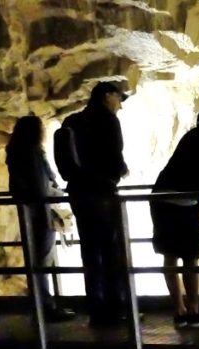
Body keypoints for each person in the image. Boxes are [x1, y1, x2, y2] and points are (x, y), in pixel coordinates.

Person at [150, 107, 199, 329]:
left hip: (160, 198)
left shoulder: (191, 136)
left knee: (169, 255)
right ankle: (194, 310)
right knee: (190, 256)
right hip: (184, 202)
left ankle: (179, 310)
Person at [63, 81, 130, 326]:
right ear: (107, 96)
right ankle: (117, 309)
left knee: (90, 251)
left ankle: (97, 309)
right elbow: (115, 156)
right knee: (111, 251)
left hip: (79, 193)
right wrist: (122, 172)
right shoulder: (107, 120)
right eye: (119, 99)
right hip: (101, 191)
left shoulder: (72, 121)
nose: (120, 106)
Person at [6, 115, 75, 322]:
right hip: (41, 213)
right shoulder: (32, 153)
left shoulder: (16, 152)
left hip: (31, 213)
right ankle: (46, 308)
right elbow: (41, 185)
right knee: (41, 262)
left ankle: (41, 306)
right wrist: (56, 193)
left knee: (36, 262)